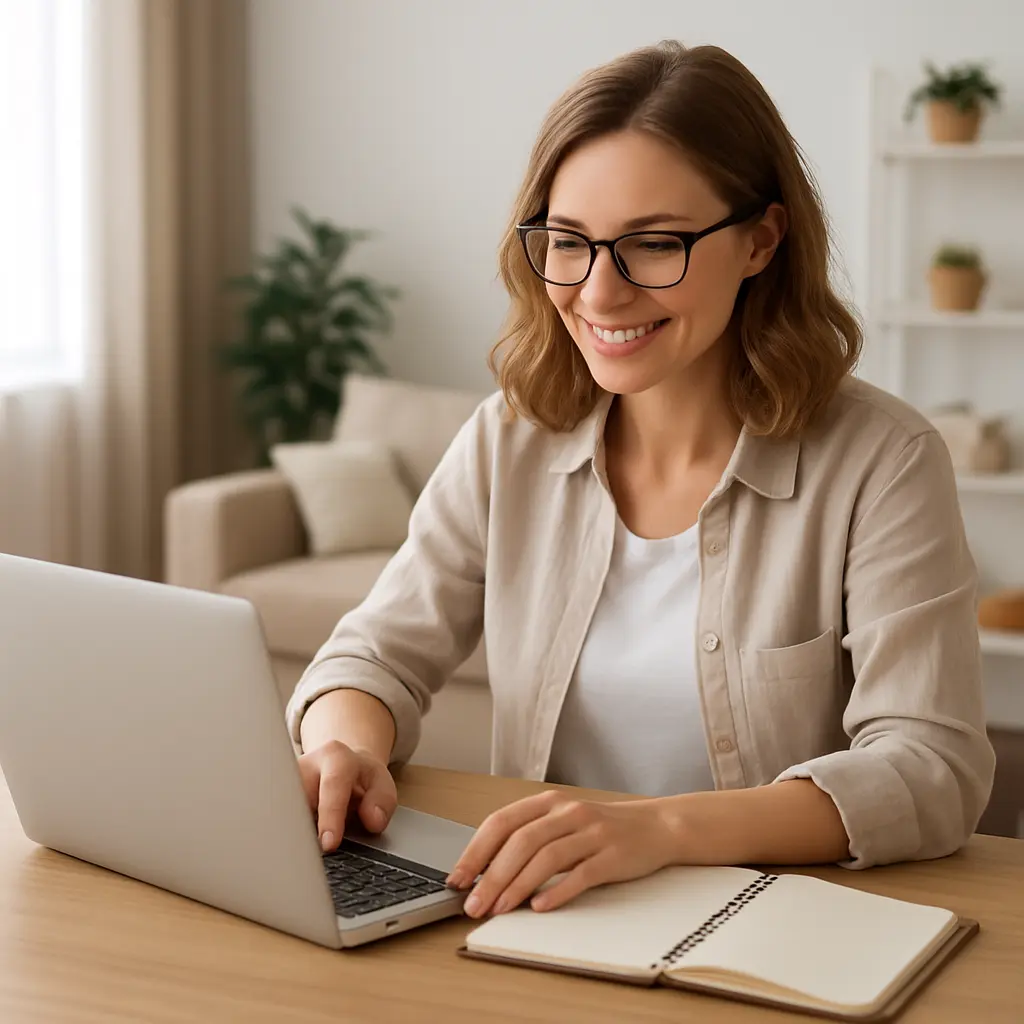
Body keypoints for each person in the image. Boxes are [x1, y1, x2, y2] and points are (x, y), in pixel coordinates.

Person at [286, 41, 995, 921]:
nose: (600, 293)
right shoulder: (508, 441)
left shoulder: (882, 461)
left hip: (773, 924)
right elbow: (372, 654)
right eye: (569, 244)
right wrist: (344, 744)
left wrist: (659, 830)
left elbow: (931, 767)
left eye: (655, 244)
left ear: (760, 241)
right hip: (534, 918)